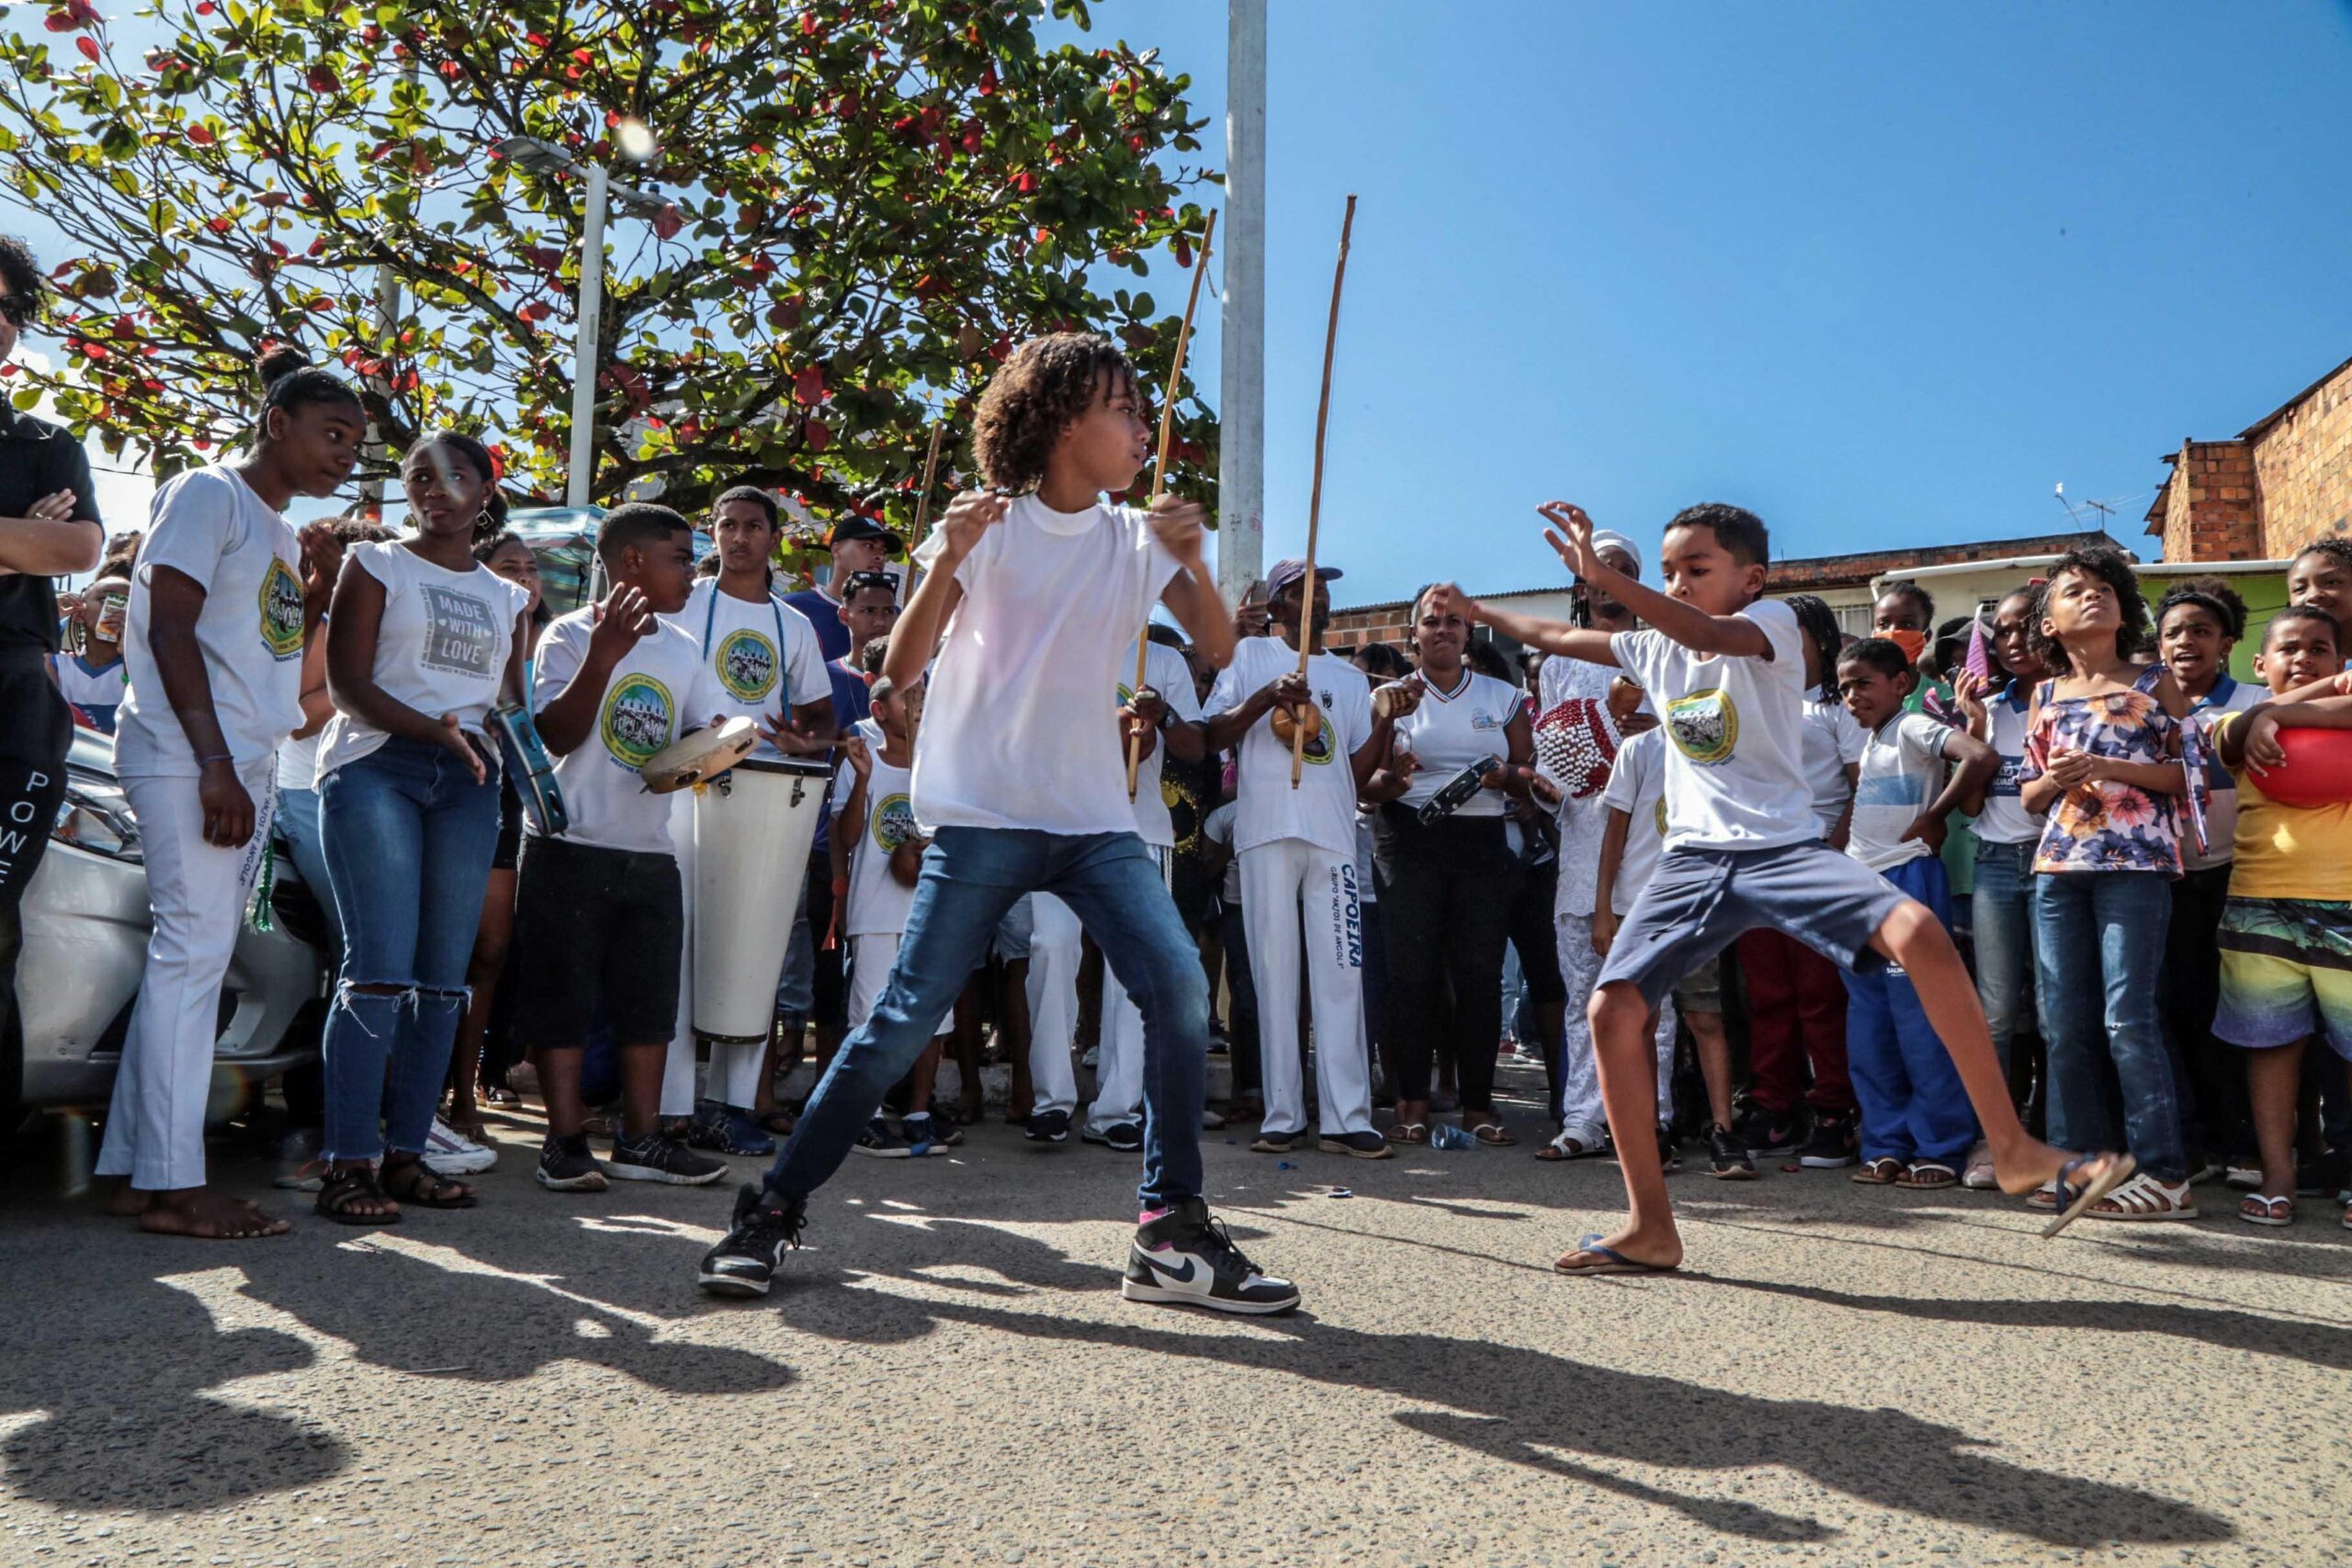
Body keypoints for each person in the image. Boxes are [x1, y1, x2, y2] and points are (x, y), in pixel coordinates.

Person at [698, 331, 1294, 1315]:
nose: (1144, 427)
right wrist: (951, 557)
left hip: (1094, 820)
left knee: (1181, 995)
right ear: (1065, 422)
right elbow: (905, 657)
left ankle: (1168, 1232)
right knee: (898, 1024)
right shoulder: (988, 528)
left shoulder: (1138, 538)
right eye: (1124, 409)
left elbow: (1223, 651)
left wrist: (1190, 558)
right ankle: (768, 1212)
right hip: (982, 816)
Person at [1435, 502, 2130, 1274]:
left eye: (1697, 570)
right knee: (1611, 1009)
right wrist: (1475, 610)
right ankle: (1650, 1225)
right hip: (1694, 861)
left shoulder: (1764, 627)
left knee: (1922, 935)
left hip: (1782, 849)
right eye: (1669, 572)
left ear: (1752, 578)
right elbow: (1561, 636)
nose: (1679, 585)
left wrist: (1608, 580)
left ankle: (2014, 1149)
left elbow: (1705, 632)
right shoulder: (1655, 647)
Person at [98, 347, 360, 1239]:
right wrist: (213, 761)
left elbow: (268, 653)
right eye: (331, 433)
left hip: (241, 759)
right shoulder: (209, 492)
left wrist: (317, 593)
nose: (345, 455)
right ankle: (175, 1187)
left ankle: (143, 1175)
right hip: (187, 754)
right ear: (275, 423)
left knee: (193, 958)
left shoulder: (280, 533)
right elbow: (169, 628)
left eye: (356, 443)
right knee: (193, 957)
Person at [308, 433, 529, 1222]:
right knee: (377, 970)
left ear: (484, 487)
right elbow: (347, 686)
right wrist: (436, 731)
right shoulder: (376, 564)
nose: (435, 489)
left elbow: (514, 711)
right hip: (377, 766)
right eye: (418, 478)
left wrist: (602, 651)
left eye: (454, 475)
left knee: (444, 979)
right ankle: (346, 1165)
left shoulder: (509, 599)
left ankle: (406, 1155)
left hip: (470, 782)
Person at [520, 502, 736, 1194]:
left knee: (648, 1000)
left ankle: (641, 1139)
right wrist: (605, 655)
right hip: (570, 845)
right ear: (632, 561)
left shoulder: (680, 646)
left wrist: (720, 745)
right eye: (679, 556)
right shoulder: (564, 635)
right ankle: (564, 1141)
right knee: (563, 996)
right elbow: (555, 734)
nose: (690, 572)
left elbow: (702, 734)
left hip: (651, 850)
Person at [1203, 557, 1401, 1161]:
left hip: (1335, 838)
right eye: (1303, 589)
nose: (1318, 599)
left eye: (1324, 590)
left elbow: (1357, 776)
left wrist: (1388, 724)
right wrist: (1268, 696)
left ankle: (1348, 1116)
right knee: (1273, 977)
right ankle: (1283, 1112)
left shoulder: (1351, 678)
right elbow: (1213, 735)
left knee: (1341, 975)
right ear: (1279, 602)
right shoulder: (1248, 657)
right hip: (1265, 832)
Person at [2018, 546, 2194, 1221]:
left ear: (2123, 606)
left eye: (2103, 587)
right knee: (2063, 1024)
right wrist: (2057, 778)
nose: (2092, 595)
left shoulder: (2158, 679)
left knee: (2128, 1018)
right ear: (2051, 624)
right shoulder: (2042, 693)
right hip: (2059, 867)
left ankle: (2166, 1174)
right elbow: (2031, 796)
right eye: (2074, 590)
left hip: (2139, 865)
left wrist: (2108, 763)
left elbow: (2190, 777)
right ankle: (2081, 1165)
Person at [663, 485, 837, 1157]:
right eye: (727, 525)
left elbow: (821, 717)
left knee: (755, 952)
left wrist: (803, 738)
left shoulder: (792, 624)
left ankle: (733, 1104)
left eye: (753, 526)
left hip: (765, 798)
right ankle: (675, 1105)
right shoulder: (686, 603)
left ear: (774, 539)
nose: (738, 537)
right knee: (684, 949)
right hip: (688, 788)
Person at [1364, 584, 1534, 1145]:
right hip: (1409, 838)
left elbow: (1530, 775)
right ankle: (1410, 1101)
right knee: (1411, 975)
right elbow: (1370, 785)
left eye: (1454, 623)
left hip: (1482, 842)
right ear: (1412, 633)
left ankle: (1479, 1105)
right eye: (1431, 622)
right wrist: (1398, 776)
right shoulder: (1390, 696)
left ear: (1469, 633)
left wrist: (1506, 777)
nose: (1443, 630)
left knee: (1479, 977)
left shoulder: (1501, 694)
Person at [1029, 623, 1209, 1149]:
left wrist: (1160, 718)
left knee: (1135, 965)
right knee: (1051, 947)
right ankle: (1051, 1100)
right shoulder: (1052, 643)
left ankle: (1118, 1108)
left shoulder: (1162, 659)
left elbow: (1194, 747)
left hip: (1138, 828)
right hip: (1060, 825)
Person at [0, 235, 105, 1111]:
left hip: (14, 699)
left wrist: (44, 547)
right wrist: (14, 542)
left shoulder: (45, 444)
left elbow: (76, 546)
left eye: (7, 307)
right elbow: (42, 547)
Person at [1833, 637, 1997, 1189]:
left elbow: (1979, 756)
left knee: (1922, 1024)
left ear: (1901, 684)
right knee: (1870, 1028)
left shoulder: (1910, 727)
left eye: (1863, 683)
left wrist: (1936, 816)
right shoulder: (1873, 742)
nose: (1852, 696)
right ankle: (1885, 1142)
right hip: (1861, 890)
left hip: (1908, 881)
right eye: (1844, 688)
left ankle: (1940, 1147)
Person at [2207, 607, 2351, 1226]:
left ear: (2339, 661)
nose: (2304, 658)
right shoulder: (2230, 721)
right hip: (2260, 904)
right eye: (2289, 649)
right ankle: (2278, 1175)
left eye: (2320, 649)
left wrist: (2281, 710)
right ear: (2258, 665)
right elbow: (2234, 738)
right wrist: (2265, 713)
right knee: (2271, 1047)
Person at [1529, 529, 1651, 1162]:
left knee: (1649, 998)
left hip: (1653, 853)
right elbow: (1557, 765)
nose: (1607, 581)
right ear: (1582, 585)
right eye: (1597, 571)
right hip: (1581, 851)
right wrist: (1545, 785)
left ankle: (1652, 1120)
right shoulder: (1558, 665)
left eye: (1622, 570)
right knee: (1584, 995)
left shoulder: (1666, 650)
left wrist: (1651, 725)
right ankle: (1584, 1116)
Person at [766, 574, 901, 1134]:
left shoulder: (907, 682)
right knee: (827, 975)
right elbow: (802, 736)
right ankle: (827, 1089)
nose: (879, 618)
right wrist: (828, 743)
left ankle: (893, 1098)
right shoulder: (821, 675)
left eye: (888, 609)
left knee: (876, 982)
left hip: (887, 850)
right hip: (826, 842)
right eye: (867, 608)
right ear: (842, 615)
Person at [1732, 592, 1862, 1168]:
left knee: (1820, 997)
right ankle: (1773, 1108)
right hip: (1757, 865)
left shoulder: (1837, 706)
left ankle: (1834, 1111)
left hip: (1816, 862)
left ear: (1818, 638)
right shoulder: (1754, 696)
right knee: (1767, 997)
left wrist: (1832, 853)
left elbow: (1862, 786)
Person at [2154, 581, 2263, 1183]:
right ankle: (2196, 1144)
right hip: (2168, 876)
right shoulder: (2142, 704)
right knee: (2182, 1007)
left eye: (2200, 630)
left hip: (2240, 872)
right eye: (2173, 632)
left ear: (2226, 643)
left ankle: (2245, 1143)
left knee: (2244, 1011)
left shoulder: (2256, 698)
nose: (2186, 641)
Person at [447, 529, 549, 1135]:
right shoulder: (467, 631)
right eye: (509, 566)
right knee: (448, 953)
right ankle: (435, 1090)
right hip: (461, 781)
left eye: (532, 568)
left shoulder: (561, 640)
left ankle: (469, 1089)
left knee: (492, 951)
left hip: (518, 803)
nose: (525, 578)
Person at [831, 680, 960, 1156]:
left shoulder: (942, 766)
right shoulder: (861, 759)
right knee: (869, 1018)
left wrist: (923, 852)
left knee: (932, 1019)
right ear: (880, 710)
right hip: (876, 912)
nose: (921, 704)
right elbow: (845, 838)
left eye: (926, 696)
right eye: (910, 697)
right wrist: (864, 778)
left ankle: (918, 1112)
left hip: (931, 913)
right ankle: (863, 1115)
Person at [1950, 586, 2052, 1182]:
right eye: (2003, 634)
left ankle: (2055, 1133)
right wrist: (1977, 727)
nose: (2014, 643)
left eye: (2027, 629)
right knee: (1994, 1013)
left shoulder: (2073, 698)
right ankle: (1993, 1139)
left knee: (2054, 1010)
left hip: (2055, 865)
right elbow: (1969, 804)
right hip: (1993, 863)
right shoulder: (1994, 707)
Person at [1590, 724, 1707, 1171]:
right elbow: (1614, 833)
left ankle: (1715, 1127)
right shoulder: (1640, 749)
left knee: (1705, 1018)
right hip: (1638, 903)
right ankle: (1645, 1131)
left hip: (1700, 900)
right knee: (1639, 1021)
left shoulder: (1718, 741)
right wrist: (1604, 908)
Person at [783, 515, 902, 664]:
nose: (879, 556)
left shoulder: (895, 616)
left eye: (883, 551)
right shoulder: (794, 608)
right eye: (868, 546)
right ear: (837, 550)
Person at [51, 570, 130, 732]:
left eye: (129, 603)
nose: (116, 609)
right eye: (103, 599)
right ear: (79, 614)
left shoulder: (145, 668)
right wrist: (47, 618)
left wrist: (130, 652)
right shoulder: (58, 666)